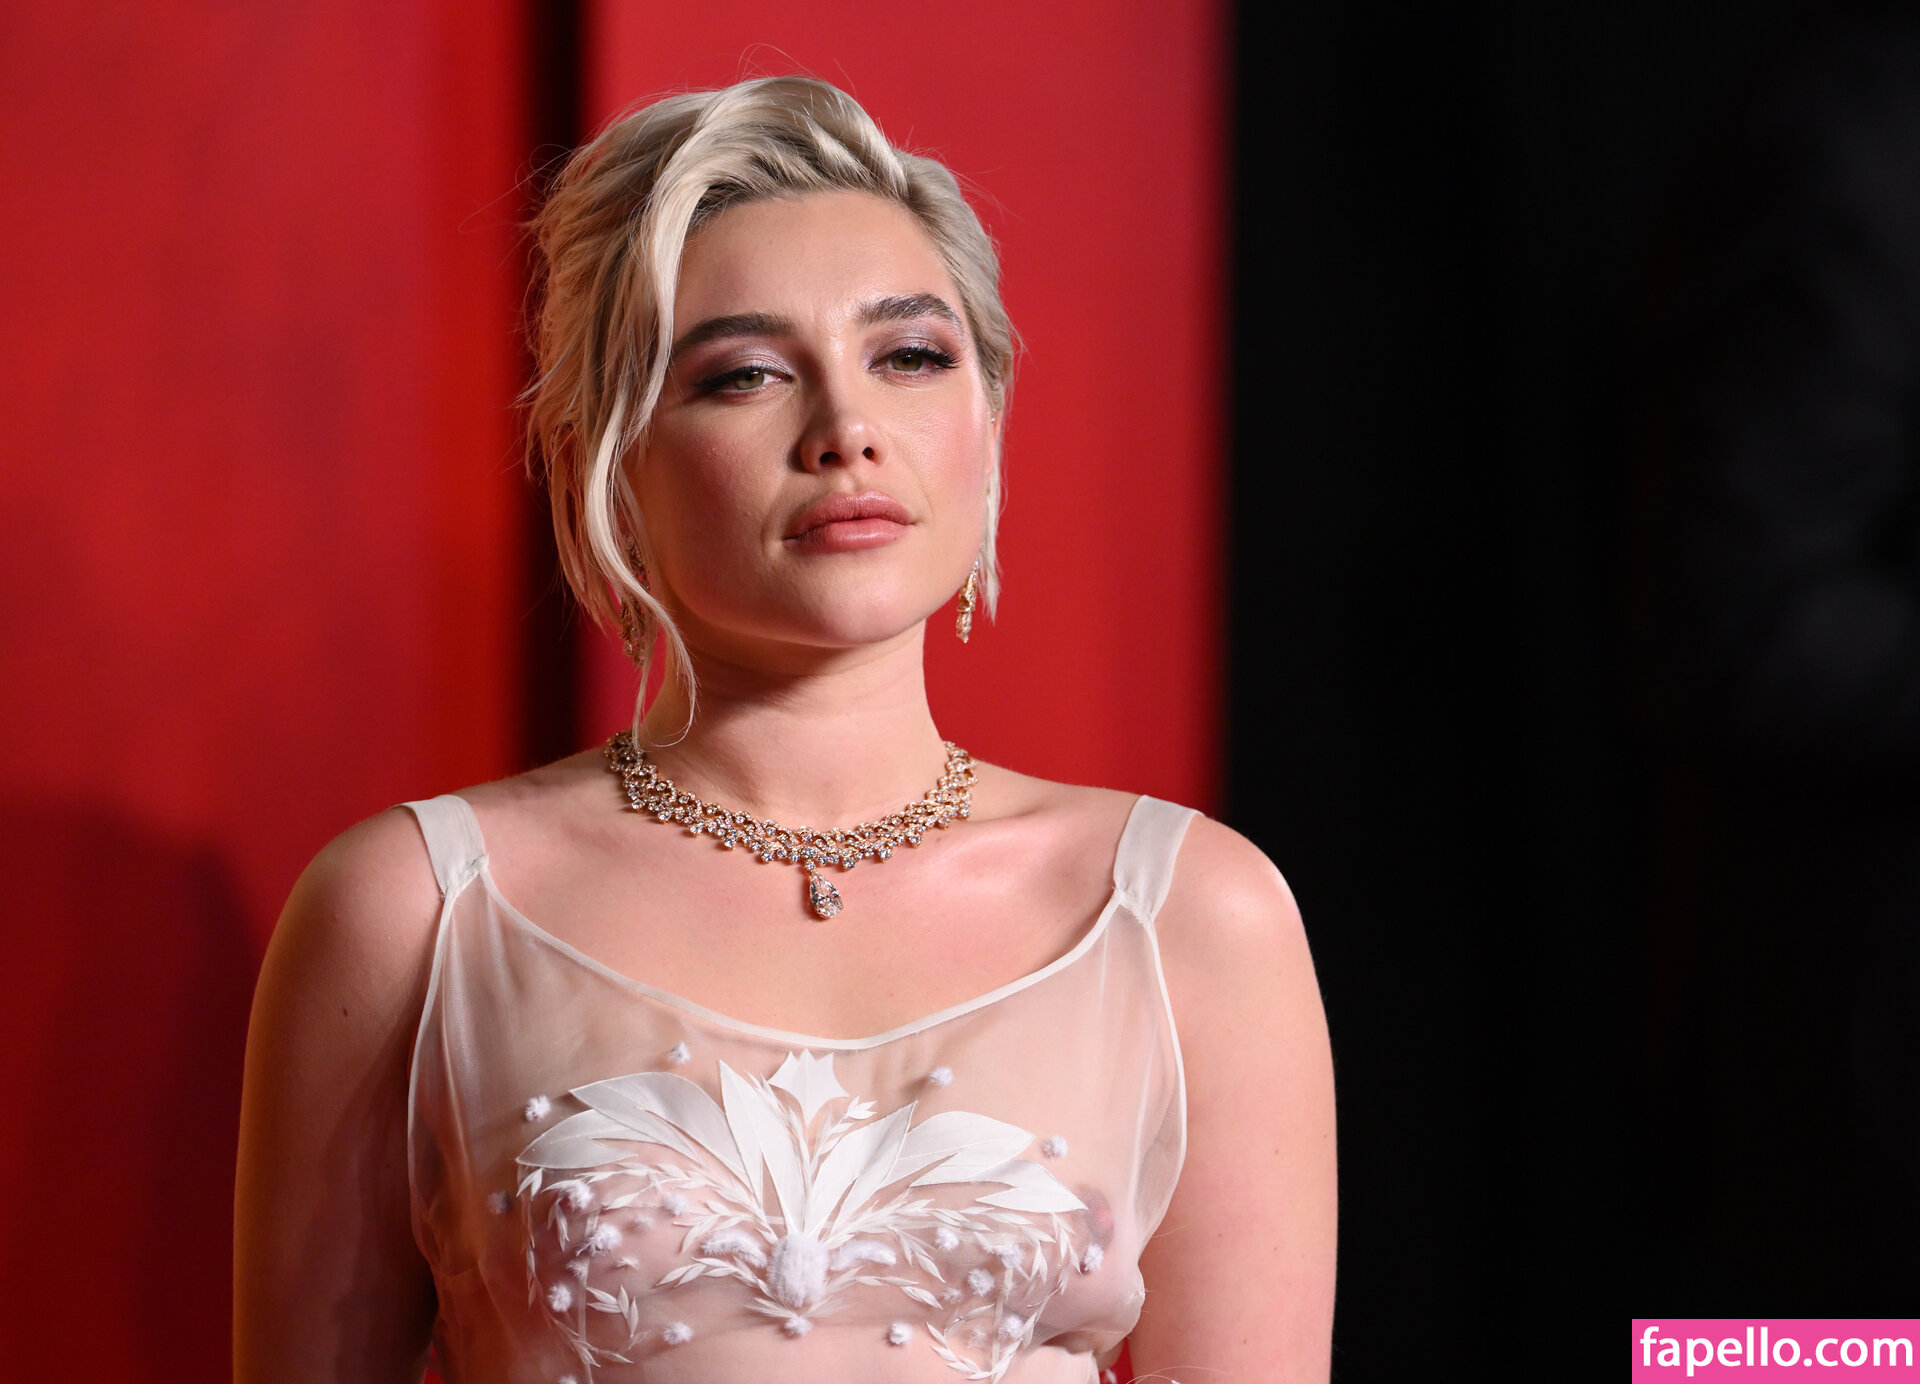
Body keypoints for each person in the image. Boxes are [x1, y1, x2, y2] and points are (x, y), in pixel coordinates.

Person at [233, 76, 1336, 1382]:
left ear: (987, 419)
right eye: (745, 374)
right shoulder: (414, 912)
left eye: (909, 356)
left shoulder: (1186, 917)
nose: (847, 432)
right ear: (608, 463)